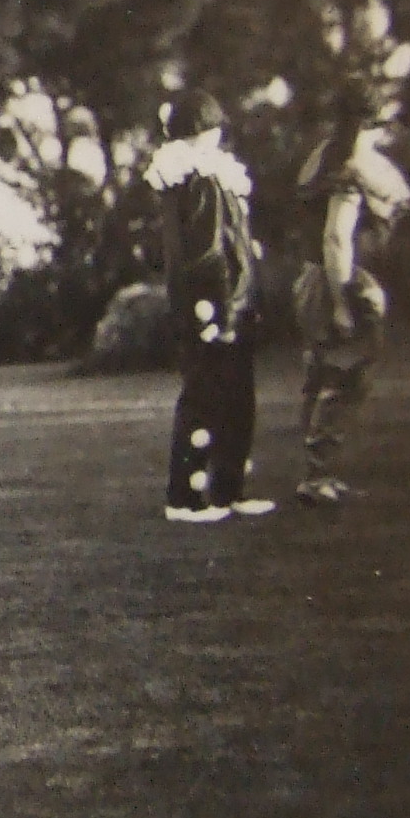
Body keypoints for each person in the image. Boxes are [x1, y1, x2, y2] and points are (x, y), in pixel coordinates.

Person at [145, 90, 267, 524]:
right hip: (213, 303)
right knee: (208, 393)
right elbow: (209, 252)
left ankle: (226, 488)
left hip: (219, 299)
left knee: (230, 395)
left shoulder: (199, 178)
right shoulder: (199, 180)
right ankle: (188, 496)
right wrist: (225, 307)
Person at [289, 85, 410, 506]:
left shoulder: (320, 156)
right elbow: (336, 239)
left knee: (321, 374)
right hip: (338, 279)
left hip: (310, 277)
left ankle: (317, 472)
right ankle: (318, 474)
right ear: (365, 124)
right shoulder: (349, 168)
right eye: (377, 126)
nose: (380, 135)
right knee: (344, 377)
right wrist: (343, 302)